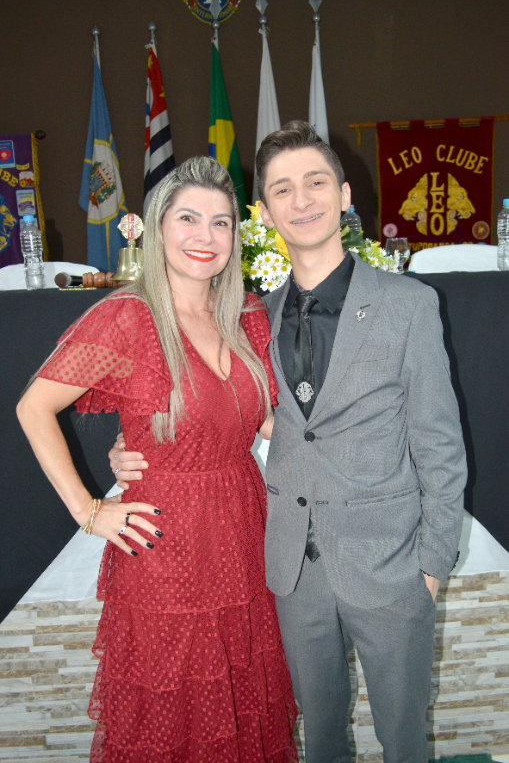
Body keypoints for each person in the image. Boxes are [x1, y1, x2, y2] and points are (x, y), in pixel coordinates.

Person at [113, 123, 467, 763]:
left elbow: (440, 446)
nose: (301, 200)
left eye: (315, 183)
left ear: (344, 195)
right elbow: (220, 409)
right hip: (292, 572)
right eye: (282, 189)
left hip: (391, 568)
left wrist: (432, 566)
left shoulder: (409, 304)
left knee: (404, 742)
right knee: (320, 740)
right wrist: (131, 446)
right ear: (265, 211)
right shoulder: (248, 318)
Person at [16, 156, 298, 763]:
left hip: (245, 535)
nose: (206, 236)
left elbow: (265, 423)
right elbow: (33, 407)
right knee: (173, 719)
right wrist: (90, 511)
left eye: (221, 223)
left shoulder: (247, 315)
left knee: (243, 704)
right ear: (157, 227)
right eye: (188, 218)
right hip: (166, 548)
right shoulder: (128, 318)